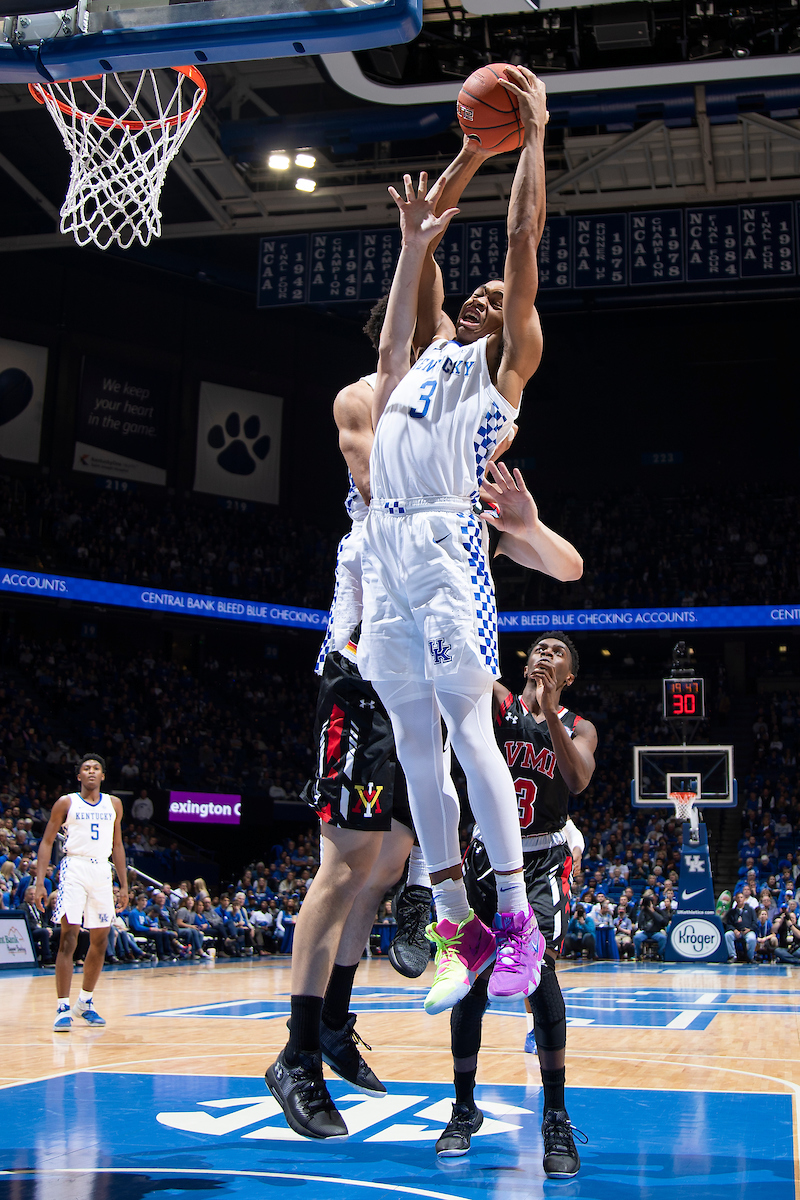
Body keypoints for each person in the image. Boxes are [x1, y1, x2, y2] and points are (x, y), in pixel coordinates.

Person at [266, 141, 499, 1142]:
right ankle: (291, 1049)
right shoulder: (364, 401)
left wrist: (463, 176)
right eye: (434, 329)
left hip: (416, 649)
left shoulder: (456, 410)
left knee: (396, 848)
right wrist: (421, 235)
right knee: (344, 858)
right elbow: (382, 484)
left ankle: (338, 1023)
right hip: (359, 659)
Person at [359, 68, 551, 1031]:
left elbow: (520, 244)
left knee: (470, 733)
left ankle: (516, 920)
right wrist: (468, 154)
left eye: (491, 297)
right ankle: (454, 923)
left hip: (442, 541)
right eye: (467, 297)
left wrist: (533, 135)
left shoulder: (501, 368)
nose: (478, 299)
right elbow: (421, 269)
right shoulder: (428, 351)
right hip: (383, 544)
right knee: (410, 743)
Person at [435, 632, 596, 1179]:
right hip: (487, 854)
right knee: (471, 983)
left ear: (569, 677)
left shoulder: (577, 726)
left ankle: (555, 1114)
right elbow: (458, 679)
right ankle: (463, 1107)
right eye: (540, 648)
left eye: (559, 654)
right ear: (526, 661)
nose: (546, 654)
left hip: (544, 861)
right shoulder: (498, 702)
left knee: (539, 977)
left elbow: (577, 779)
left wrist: (550, 713)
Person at [34, 754, 128, 1030]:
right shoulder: (66, 802)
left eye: (96, 768)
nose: (90, 772)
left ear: (102, 775)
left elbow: (118, 846)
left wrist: (123, 885)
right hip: (74, 867)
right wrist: (40, 881)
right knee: (69, 936)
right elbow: (47, 841)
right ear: (79, 776)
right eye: (86, 768)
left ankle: (85, 1001)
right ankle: (63, 1006)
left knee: (100, 939)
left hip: (101, 870)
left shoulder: (114, 804)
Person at [724, 890, 757, 962]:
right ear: (735, 899)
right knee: (727, 935)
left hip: (747, 931)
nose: (739, 899)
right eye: (738, 897)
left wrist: (749, 929)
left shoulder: (750, 910)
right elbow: (729, 924)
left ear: (744, 899)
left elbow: (755, 923)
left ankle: (750, 957)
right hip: (736, 932)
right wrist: (735, 930)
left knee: (752, 938)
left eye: (741, 897)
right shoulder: (732, 912)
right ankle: (733, 956)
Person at [634, 895, 669, 960]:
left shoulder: (658, 910)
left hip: (656, 932)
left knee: (663, 938)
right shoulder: (643, 911)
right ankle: (638, 955)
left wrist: (653, 911)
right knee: (636, 938)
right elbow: (640, 923)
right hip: (645, 932)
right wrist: (643, 910)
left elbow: (663, 921)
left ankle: (660, 954)